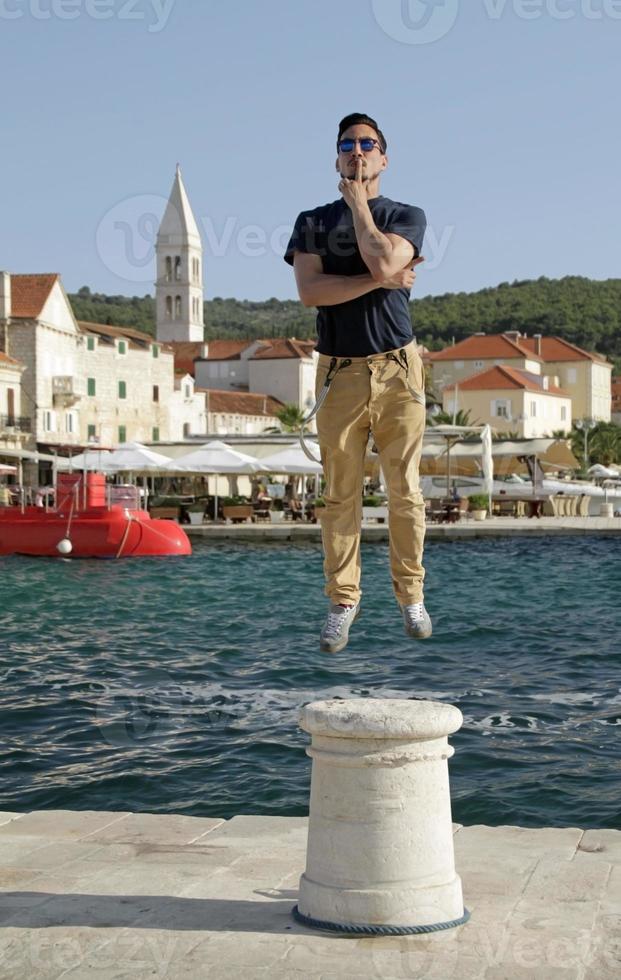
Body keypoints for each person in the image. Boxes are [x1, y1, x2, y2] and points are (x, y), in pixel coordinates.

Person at [284, 111, 431, 653]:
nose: (357, 151)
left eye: (368, 144)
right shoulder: (311, 222)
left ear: (383, 158)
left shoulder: (406, 214)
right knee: (339, 495)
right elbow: (310, 293)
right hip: (339, 369)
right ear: (336, 157)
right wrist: (382, 277)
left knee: (406, 493)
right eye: (347, 144)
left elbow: (387, 252)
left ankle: (410, 594)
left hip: (398, 370)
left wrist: (362, 209)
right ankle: (343, 601)